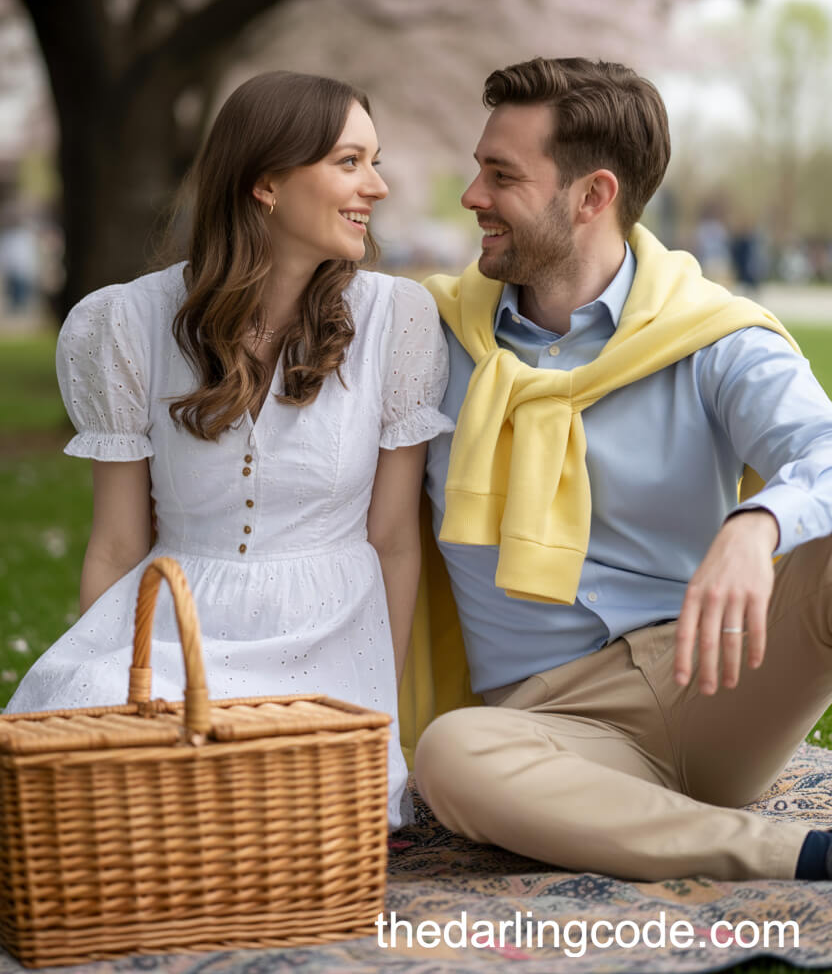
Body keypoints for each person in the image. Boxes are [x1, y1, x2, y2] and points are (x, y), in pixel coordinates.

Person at [409, 56, 832, 880]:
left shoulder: (711, 336)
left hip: (714, 681)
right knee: (451, 754)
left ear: (592, 196)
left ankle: (650, 828)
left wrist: (761, 522)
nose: (471, 198)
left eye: (501, 176)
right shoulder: (427, 338)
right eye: (476, 170)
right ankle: (801, 856)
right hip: (549, 726)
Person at [5, 70, 454, 828]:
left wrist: (380, 711)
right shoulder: (128, 321)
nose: (376, 186)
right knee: (77, 772)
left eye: (374, 160)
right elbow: (117, 546)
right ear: (265, 183)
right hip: (174, 625)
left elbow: (393, 542)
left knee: (261, 803)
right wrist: (120, 702)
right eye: (349, 162)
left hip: (327, 638)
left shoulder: (393, 319)